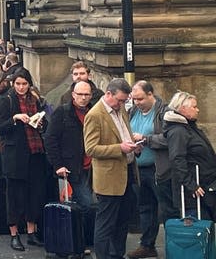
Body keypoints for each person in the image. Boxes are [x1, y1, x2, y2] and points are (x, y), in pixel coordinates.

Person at [83, 78, 139, 259]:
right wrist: (119, 149)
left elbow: (125, 134)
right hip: (108, 178)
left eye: (124, 101)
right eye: (119, 100)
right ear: (108, 94)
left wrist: (134, 145)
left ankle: (117, 255)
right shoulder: (95, 115)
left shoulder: (121, 109)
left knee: (123, 221)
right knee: (106, 223)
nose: (122, 104)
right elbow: (91, 148)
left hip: (128, 172)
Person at [0, 69, 47, 252]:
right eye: (18, 84)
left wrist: (40, 122)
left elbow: (44, 123)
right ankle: (14, 234)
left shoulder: (35, 100)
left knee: (34, 193)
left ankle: (32, 232)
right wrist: (15, 118)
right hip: (15, 155)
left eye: (24, 84)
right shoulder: (7, 100)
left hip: (35, 152)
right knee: (15, 195)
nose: (21, 87)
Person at [43, 80, 96, 250]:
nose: (83, 98)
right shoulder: (63, 112)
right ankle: (83, 239)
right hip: (73, 166)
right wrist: (58, 165)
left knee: (91, 205)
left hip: (94, 166)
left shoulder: (94, 111)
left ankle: (85, 238)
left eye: (86, 94)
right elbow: (50, 139)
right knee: (86, 204)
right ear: (73, 95)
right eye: (80, 94)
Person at [127, 81, 167, 259]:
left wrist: (146, 139)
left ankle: (174, 244)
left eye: (140, 98)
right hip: (138, 168)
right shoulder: (132, 111)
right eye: (134, 99)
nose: (137, 102)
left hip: (158, 168)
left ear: (151, 94)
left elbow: (168, 139)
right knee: (145, 208)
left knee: (166, 208)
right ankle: (147, 245)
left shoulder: (164, 112)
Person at [163, 90, 216, 221]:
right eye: (194, 107)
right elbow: (177, 159)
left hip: (207, 185)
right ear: (182, 108)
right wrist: (191, 184)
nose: (197, 110)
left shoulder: (191, 127)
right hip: (194, 192)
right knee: (199, 227)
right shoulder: (178, 131)